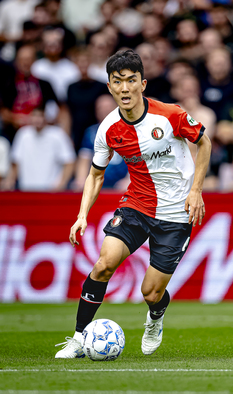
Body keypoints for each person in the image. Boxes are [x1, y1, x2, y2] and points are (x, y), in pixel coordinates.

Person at [54, 49, 211, 358]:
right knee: (103, 265)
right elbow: (95, 175)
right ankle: (78, 338)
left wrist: (196, 190)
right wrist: (82, 214)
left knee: (150, 292)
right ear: (110, 86)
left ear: (143, 84)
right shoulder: (108, 129)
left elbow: (203, 142)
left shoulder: (170, 115)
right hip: (137, 205)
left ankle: (155, 318)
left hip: (177, 212)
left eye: (130, 81)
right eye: (117, 82)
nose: (124, 88)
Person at [2, 106, 75, 191]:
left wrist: (60, 184)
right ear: (30, 117)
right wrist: (10, 180)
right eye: (35, 116)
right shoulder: (23, 134)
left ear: (45, 117)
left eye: (40, 116)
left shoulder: (57, 134)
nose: (37, 119)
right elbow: (16, 162)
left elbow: (70, 161)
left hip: (51, 191)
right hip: (26, 190)